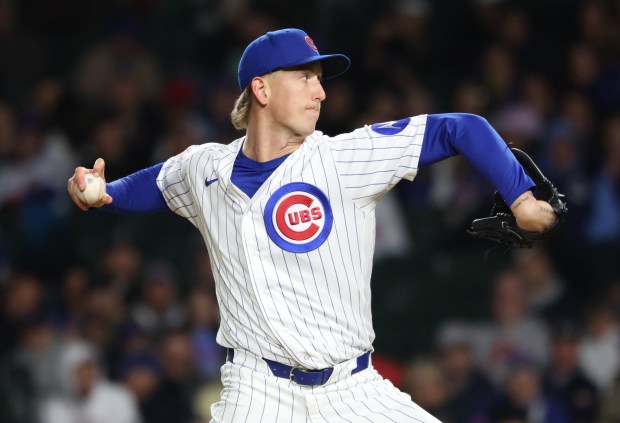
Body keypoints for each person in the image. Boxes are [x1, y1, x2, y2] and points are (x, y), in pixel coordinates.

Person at [68, 28, 558, 422]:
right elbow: (153, 185)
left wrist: (520, 197)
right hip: (257, 393)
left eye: (320, 79)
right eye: (304, 76)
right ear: (260, 88)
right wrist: (102, 194)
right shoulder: (205, 168)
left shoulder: (344, 158)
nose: (320, 91)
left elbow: (461, 127)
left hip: (354, 390)